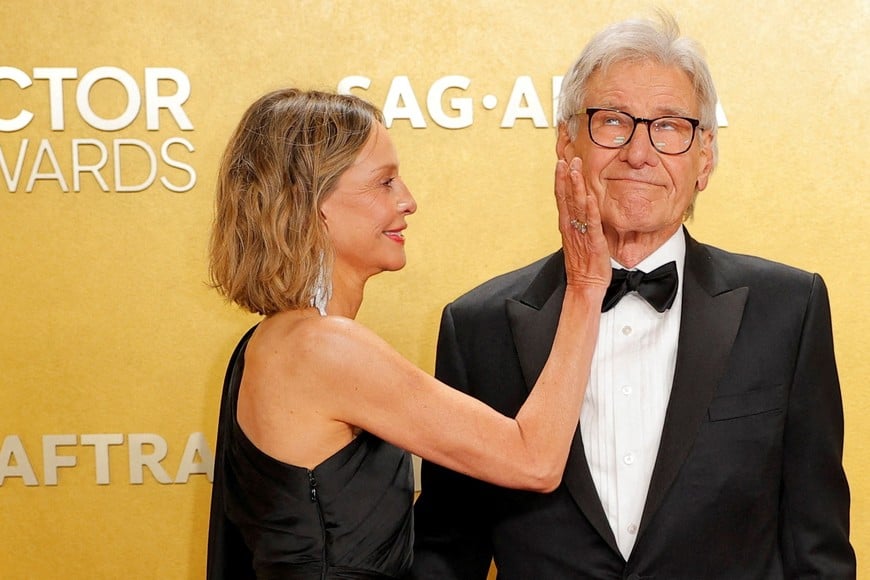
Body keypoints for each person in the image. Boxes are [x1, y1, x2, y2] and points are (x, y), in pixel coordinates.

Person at [411, 13, 856, 580]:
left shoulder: (790, 309)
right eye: (613, 122)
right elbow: (449, 550)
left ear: (706, 156)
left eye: (669, 126)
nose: (640, 154)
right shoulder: (476, 327)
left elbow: (817, 550)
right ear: (565, 141)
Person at [205, 88, 611, 579]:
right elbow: (534, 460)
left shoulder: (270, 343)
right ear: (314, 203)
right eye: (384, 182)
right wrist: (586, 288)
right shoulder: (323, 349)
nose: (408, 201)